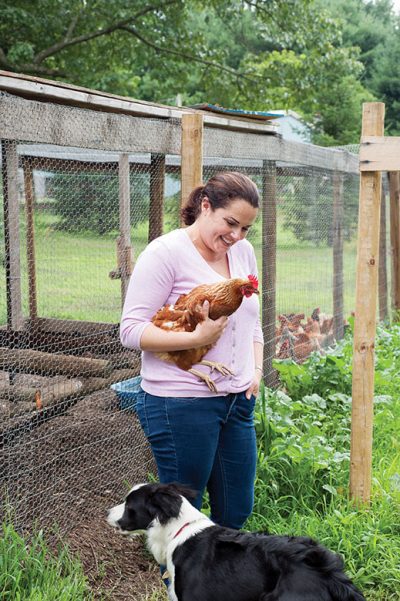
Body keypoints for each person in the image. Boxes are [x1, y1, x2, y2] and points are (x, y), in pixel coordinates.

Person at [120, 171, 264, 530]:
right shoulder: (165, 253)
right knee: (183, 513)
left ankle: (219, 581)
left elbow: (252, 323)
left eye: (246, 228)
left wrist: (257, 371)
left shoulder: (243, 252)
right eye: (231, 223)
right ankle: (176, 581)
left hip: (236, 402)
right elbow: (131, 331)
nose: (237, 236)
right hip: (180, 404)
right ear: (205, 206)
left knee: (236, 509)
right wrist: (197, 339)